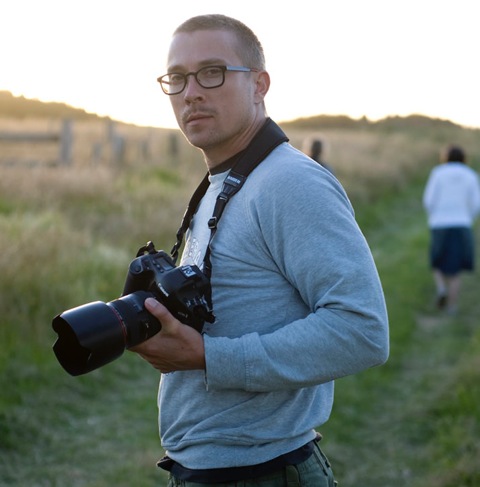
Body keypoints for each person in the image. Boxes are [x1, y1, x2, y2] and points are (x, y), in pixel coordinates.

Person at [131, 14, 389, 486]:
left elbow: (362, 330)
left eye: (212, 72)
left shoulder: (290, 182)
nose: (191, 93)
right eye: (177, 78)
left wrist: (207, 356)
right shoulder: (226, 180)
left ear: (259, 84)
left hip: (262, 473)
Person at [422, 145, 480, 314]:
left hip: (439, 223)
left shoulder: (437, 173)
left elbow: (428, 200)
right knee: (455, 267)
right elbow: (476, 203)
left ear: (446, 157)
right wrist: (468, 218)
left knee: (437, 260)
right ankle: (452, 306)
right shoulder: (470, 175)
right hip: (462, 223)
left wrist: (434, 216)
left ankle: (441, 288)